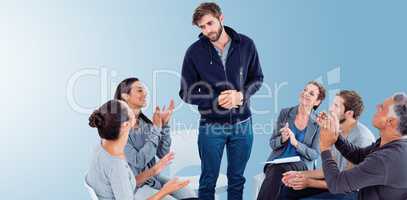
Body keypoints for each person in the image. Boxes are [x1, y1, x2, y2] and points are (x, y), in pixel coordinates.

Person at [179, 2, 264, 200]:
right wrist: (215, 99)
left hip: (242, 125)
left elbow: (257, 78)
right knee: (208, 180)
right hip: (211, 127)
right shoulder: (194, 52)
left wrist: (241, 95)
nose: (207, 30)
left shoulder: (246, 45)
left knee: (237, 179)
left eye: (210, 23)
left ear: (221, 18)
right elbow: (185, 91)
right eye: (202, 27)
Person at [85, 100, 190, 200]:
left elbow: (125, 184)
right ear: (126, 125)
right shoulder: (116, 165)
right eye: (130, 111)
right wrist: (165, 191)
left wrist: (153, 171)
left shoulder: (102, 148)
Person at [281, 90, 375, 200]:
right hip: (336, 184)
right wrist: (300, 174)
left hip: (355, 192)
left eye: (336, 106)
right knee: (288, 189)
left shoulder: (362, 138)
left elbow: (347, 183)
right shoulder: (336, 131)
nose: (330, 109)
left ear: (349, 114)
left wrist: (309, 182)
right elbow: (329, 171)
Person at [114, 78, 196, 199]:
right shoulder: (118, 129)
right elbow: (138, 161)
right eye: (140, 90)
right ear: (125, 96)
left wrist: (165, 124)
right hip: (135, 187)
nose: (145, 93)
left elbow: (163, 153)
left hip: (153, 179)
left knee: (186, 191)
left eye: (144, 90)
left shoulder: (145, 124)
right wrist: (157, 128)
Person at [317, 92, 407, 200]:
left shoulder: (386, 159)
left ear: (390, 122)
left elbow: (336, 185)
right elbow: (359, 155)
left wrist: (325, 147)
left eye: (382, 108)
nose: (377, 106)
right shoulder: (391, 142)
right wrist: (334, 132)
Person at [257, 81, 326, 200]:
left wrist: (296, 143)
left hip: (301, 164)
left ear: (317, 101)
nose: (305, 94)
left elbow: (314, 154)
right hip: (277, 161)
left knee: (277, 172)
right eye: (305, 90)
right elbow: (272, 143)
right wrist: (283, 139)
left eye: (311, 93)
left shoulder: (318, 123)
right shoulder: (285, 113)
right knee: (276, 172)